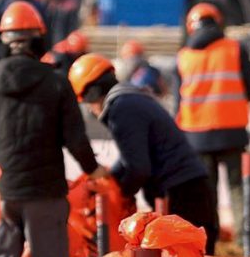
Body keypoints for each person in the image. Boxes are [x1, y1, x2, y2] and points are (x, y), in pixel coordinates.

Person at [0, 1, 98, 257]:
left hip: (2, 193)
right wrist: (94, 169)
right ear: (39, 38)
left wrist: (3, 162)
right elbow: (75, 139)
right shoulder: (55, 83)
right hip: (45, 193)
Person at [73, 53, 217, 239]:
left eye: (87, 102)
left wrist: (119, 194)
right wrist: (113, 176)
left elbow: (138, 167)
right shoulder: (131, 99)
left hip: (181, 194)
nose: (91, 109)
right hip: (188, 187)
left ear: (92, 93)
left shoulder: (121, 109)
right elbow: (131, 156)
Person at [174, 3, 250, 248]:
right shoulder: (234, 49)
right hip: (232, 131)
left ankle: (207, 244)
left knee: (206, 194)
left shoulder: (183, 57)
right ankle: (246, 244)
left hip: (196, 136)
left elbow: (177, 102)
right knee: (237, 188)